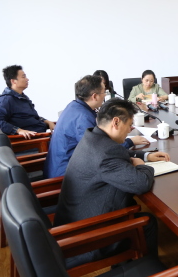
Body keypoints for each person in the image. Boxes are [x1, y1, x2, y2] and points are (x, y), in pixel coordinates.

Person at [54, 99, 170, 267]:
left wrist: (145, 156)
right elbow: (141, 184)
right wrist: (143, 166)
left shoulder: (92, 137)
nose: (130, 130)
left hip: (73, 221)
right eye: (129, 125)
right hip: (87, 236)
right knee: (147, 221)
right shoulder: (106, 152)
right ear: (116, 122)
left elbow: (117, 154)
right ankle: (146, 268)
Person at [43, 75, 149, 179]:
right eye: (104, 92)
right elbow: (98, 151)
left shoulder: (75, 106)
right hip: (64, 175)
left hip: (60, 166)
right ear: (94, 96)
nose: (105, 95)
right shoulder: (84, 117)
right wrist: (129, 143)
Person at [0, 65, 55, 138]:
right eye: (23, 77)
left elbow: (32, 117)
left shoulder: (22, 97)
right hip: (34, 140)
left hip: (42, 135)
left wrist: (48, 122)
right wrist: (18, 130)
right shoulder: (7, 99)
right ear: (13, 81)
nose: (27, 79)